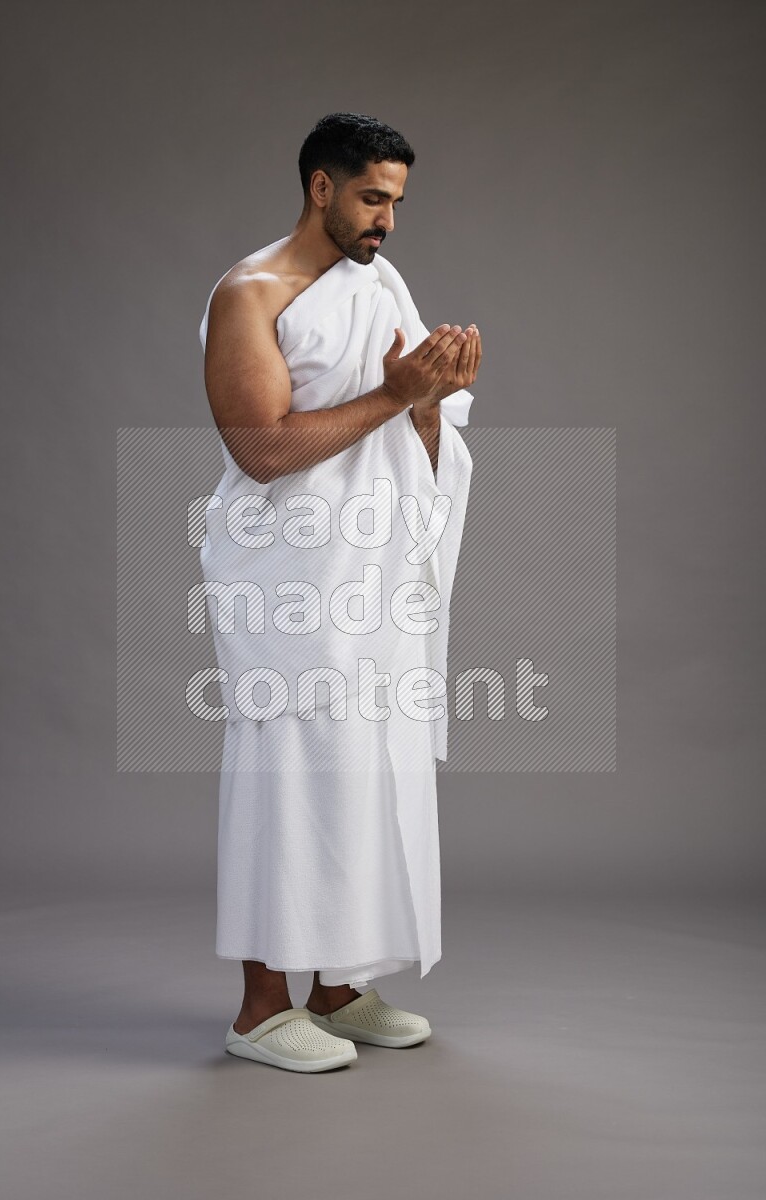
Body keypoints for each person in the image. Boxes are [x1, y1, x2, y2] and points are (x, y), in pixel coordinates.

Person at [198, 112, 481, 1072]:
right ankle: (261, 1008)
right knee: (289, 778)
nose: (386, 222)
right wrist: (400, 395)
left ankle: (342, 987)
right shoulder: (250, 294)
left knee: (369, 774)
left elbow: (417, 441)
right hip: (288, 580)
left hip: (374, 580)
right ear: (321, 186)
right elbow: (263, 449)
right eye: (371, 198)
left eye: (396, 202)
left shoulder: (381, 283)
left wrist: (433, 401)